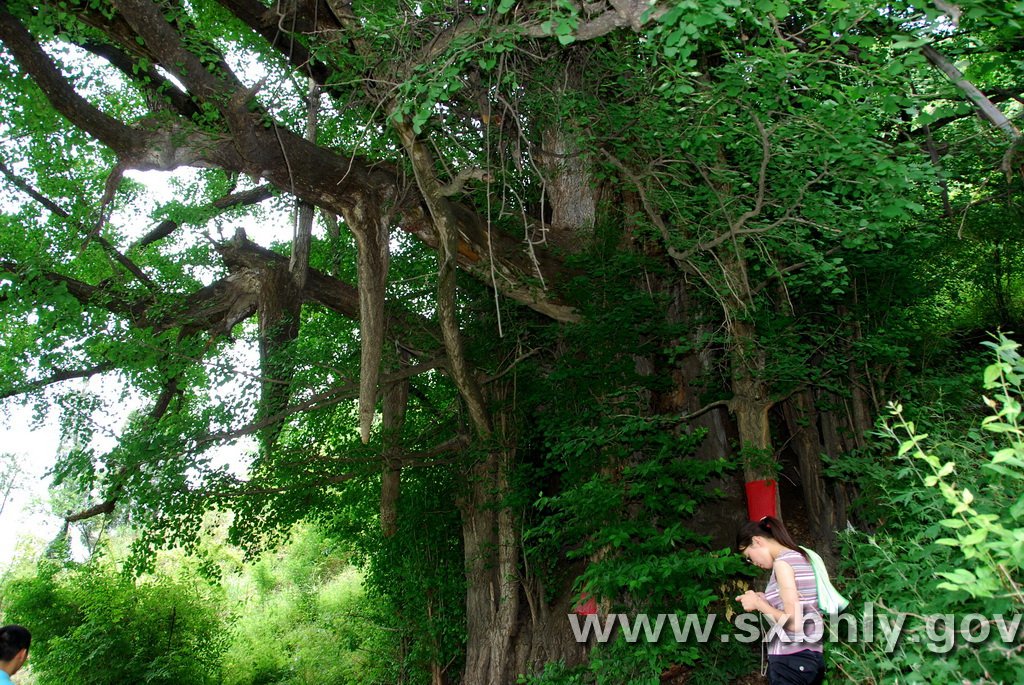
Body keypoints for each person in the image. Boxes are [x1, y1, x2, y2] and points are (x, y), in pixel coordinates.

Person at [735, 516, 825, 685]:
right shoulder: (803, 556)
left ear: (757, 541)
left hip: (791, 661)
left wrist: (759, 605)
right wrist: (765, 599)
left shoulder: (782, 565)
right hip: (810, 657)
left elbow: (793, 623)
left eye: (749, 556)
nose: (752, 562)